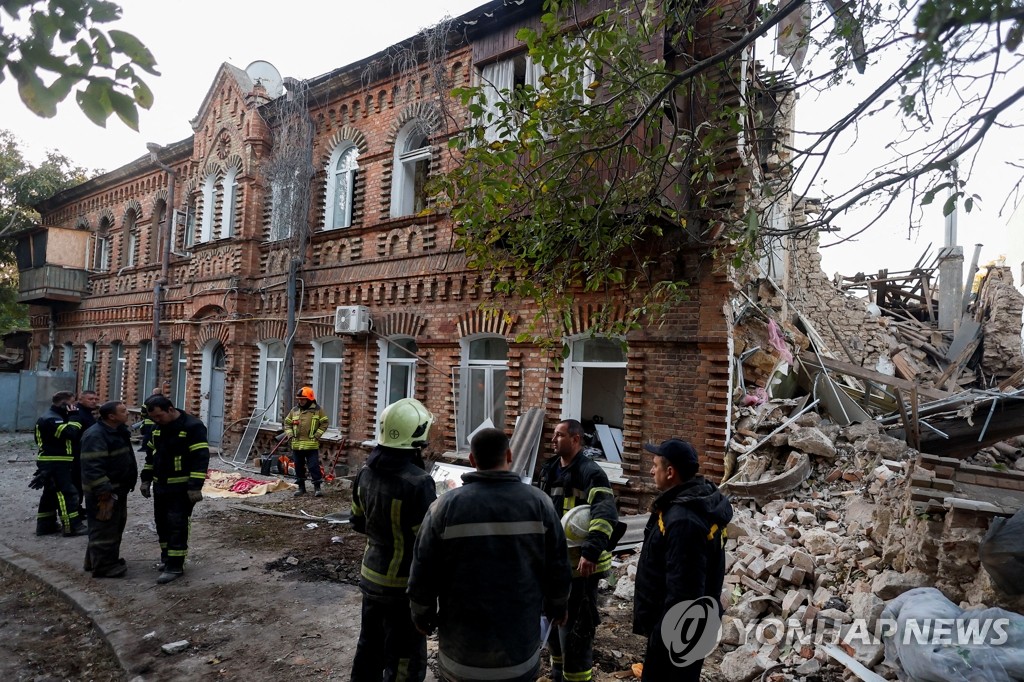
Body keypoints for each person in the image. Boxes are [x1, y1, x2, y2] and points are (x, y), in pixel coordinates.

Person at [408, 427, 572, 682]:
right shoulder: (540, 504)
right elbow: (558, 565)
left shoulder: (444, 507)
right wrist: (558, 605)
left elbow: (422, 570)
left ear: (472, 461)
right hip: (518, 656)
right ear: (509, 455)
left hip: (461, 657)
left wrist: (422, 613)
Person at [350, 398, 436, 682]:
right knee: (405, 658)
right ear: (416, 438)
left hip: (371, 577)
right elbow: (426, 541)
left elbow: (357, 521)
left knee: (369, 647)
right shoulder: (419, 482)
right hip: (402, 586)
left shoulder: (364, 473)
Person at [633, 439, 733, 682]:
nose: (650, 470)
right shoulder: (692, 503)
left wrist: (661, 637)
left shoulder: (684, 520)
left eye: (655, 465)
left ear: (670, 472)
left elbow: (684, 590)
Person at [537, 419, 619, 682]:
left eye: (559, 435)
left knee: (575, 630)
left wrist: (591, 551)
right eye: (553, 435)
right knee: (553, 623)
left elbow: (605, 513)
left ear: (575, 439)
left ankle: (577, 678)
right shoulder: (549, 469)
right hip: (553, 565)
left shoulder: (591, 472)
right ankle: (558, 672)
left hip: (581, 567)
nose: (553, 439)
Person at [139, 394, 209, 585]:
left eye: (159, 416)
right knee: (161, 523)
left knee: (177, 523)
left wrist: (195, 487)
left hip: (181, 487)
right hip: (161, 485)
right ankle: (166, 557)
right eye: (154, 418)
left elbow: (201, 458)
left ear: (170, 409)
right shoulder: (157, 428)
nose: (157, 421)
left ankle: (175, 565)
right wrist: (145, 480)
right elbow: (150, 456)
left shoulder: (192, 427)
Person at [80, 400, 137, 578]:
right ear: (111, 416)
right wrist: (103, 490)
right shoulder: (96, 435)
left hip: (117, 489)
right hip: (105, 492)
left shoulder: (117, 431)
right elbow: (92, 465)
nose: (127, 412)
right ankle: (104, 567)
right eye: (123, 411)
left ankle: (95, 561)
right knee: (104, 528)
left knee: (111, 526)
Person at [33, 390, 85, 536]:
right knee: (66, 493)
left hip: (53, 461)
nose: (75, 406)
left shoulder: (55, 416)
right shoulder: (52, 419)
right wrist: (75, 417)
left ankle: (45, 525)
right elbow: (71, 433)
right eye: (72, 403)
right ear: (64, 404)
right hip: (55, 462)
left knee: (50, 494)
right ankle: (72, 526)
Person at [283, 386, 328, 497]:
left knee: (313, 466)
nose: (300, 401)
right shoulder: (294, 410)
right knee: (298, 467)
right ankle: (301, 488)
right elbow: (287, 423)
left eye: (303, 399)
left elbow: (325, 423)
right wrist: (289, 433)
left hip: (311, 445)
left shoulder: (318, 410)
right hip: (297, 445)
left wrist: (317, 435)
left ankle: (317, 488)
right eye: (299, 399)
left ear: (309, 399)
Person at [72, 390, 100, 518]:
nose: (94, 401)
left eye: (95, 399)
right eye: (90, 399)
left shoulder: (86, 412)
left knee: (81, 482)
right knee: (76, 483)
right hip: (77, 454)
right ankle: (74, 510)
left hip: (85, 453)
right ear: (81, 400)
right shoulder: (77, 413)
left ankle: (78, 508)